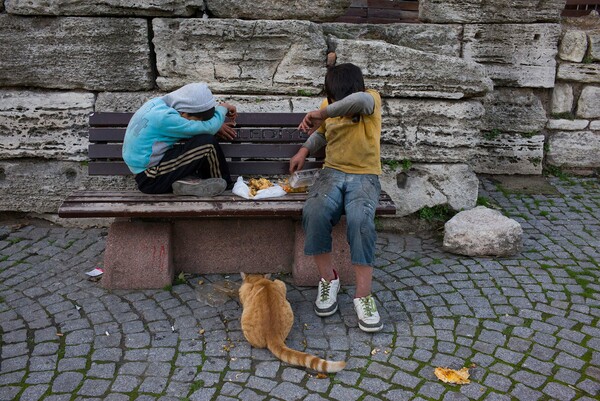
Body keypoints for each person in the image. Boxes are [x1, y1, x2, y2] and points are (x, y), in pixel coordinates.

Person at [289, 63, 384, 332]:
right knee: (315, 212)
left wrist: (322, 112)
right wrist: (304, 151)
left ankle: (363, 296)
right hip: (332, 173)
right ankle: (329, 279)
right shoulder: (328, 105)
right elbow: (321, 133)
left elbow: (356, 101)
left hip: (365, 176)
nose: (331, 101)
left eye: (334, 97)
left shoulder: (370, 99)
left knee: (360, 220)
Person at [122, 82, 237, 196]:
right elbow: (210, 129)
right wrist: (223, 107)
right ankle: (224, 186)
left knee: (201, 140)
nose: (195, 124)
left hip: (152, 169)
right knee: (208, 144)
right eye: (195, 121)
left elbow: (206, 127)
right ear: (183, 113)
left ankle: (189, 184)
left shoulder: (156, 103)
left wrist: (214, 125)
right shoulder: (166, 118)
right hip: (151, 178)